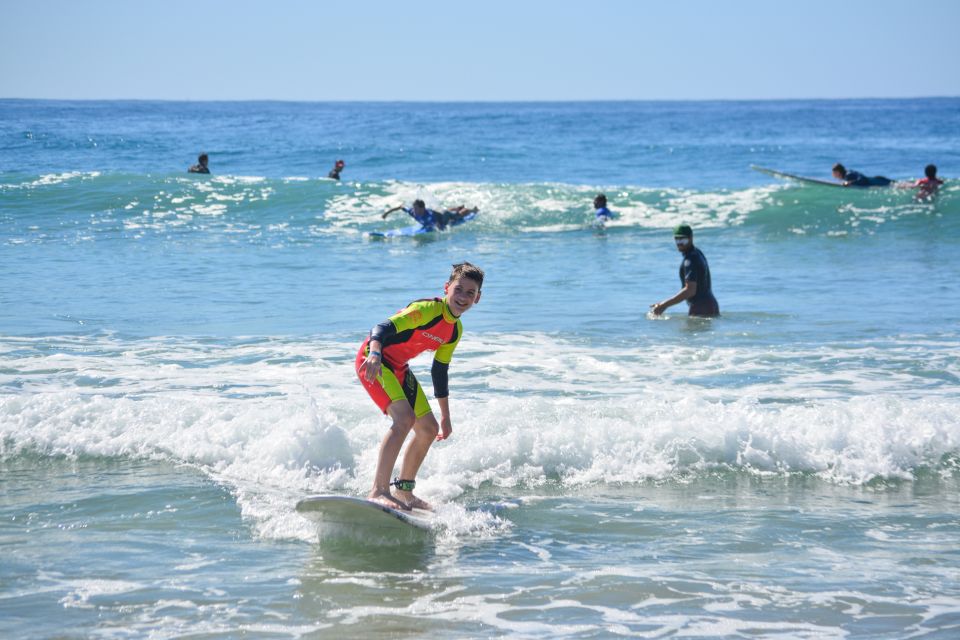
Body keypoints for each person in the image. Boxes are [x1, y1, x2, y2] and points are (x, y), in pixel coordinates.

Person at [356, 262, 484, 510]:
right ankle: (378, 491)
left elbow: (439, 371)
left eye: (470, 293)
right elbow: (381, 328)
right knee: (404, 419)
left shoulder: (455, 331)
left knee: (428, 428)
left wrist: (446, 417)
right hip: (374, 359)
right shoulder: (427, 310)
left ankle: (405, 491)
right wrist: (374, 354)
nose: (463, 297)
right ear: (447, 288)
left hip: (399, 368)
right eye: (459, 289)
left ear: (478, 298)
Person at [650, 224, 719, 318]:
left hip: (700, 308)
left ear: (691, 238)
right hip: (709, 305)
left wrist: (664, 305)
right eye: (677, 239)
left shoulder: (689, 260)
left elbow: (690, 290)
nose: (679, 243)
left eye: (683, 239)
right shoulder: (697, 253)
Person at [383, 200, 479, 230]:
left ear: (422, 209)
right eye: (414, 208)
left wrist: (440, 228)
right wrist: (387, 213)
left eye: (416, 208)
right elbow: (401, 206)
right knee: (445, 211)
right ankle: (458, 207)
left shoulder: (429, 215)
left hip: (443, 217)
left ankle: (472, 210)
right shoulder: (412, 211)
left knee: (456, 216)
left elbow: (439, 226)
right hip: (438, 212)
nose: (414, 210)